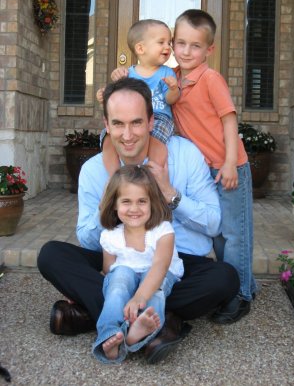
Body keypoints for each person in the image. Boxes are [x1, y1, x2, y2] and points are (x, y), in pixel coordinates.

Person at [37, 77, 240, 364]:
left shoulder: (185, 155)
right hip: (120, 260)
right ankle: (161, 321)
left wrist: (170, 193)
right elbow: (87, 238)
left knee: (224, 278)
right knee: (51, 255)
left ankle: (95, 315)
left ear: (150, 121)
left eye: (136, 122)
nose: (128, 134)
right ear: (106, 125)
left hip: (175, 265)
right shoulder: (94, 170)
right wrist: (110, 198)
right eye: (118, 124)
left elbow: (213, 224)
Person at [172, 9, 257, 323]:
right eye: (180, 43)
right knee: (219, 234)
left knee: (235, 235)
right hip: (205, 170)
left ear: (209, 49)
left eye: (195, 46)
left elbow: (228, 119)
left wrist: (231, 163)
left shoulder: (210, 78)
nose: (186, 51)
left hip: (229, 167)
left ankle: (239, 296)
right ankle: (242, 283)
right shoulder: (173, 80)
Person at [92, 164, 184, 364]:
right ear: (114, 204)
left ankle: (134, 334)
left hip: (159, 275)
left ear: (152, 202)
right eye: (126, 201)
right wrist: (118, 285)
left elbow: (160, 266)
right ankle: (110, 334)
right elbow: (108, 269)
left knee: (156, 292)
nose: (134, 209)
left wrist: (139, 296)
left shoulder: (162, 230)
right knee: (117, 283)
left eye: (142, 201)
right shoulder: (110, 236)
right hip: (127, 273)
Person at [96, 19, 180, 175]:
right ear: (141, 48)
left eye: (169, 42)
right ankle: (115, 177)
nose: (167, 47)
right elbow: (118, 97)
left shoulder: (167, 73)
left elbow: (170, 100)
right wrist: (104, 96)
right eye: (161, 42)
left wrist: (174, 89)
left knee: (156, 139)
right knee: (107, 137)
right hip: (130, 117)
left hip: (160, 117)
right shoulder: (128, 73)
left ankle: (151, 175)